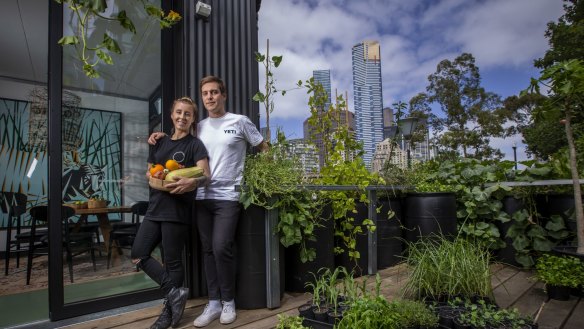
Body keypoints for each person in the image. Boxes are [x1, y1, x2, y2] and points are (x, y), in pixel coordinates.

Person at [148, 76, 268, 327]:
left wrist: (262, 180)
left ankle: (228, 301)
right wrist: (159, 136)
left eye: (214, 92)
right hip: (200, 197)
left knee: (222, 245)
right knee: (207, 249)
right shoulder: (198, 126)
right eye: (205, 93)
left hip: (228, 196)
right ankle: (213, 302)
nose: (210, 97)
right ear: (202, 99)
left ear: (223, 95)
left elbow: (264, 148)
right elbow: (178, 137)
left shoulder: (240, 122)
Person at [133, 97, 210, 329]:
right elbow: (149, 172)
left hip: (177, 211)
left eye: (188, 114)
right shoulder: (159, 142)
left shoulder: (195, 145)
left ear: (193, 118)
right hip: (155, 208)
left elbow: (206, 175)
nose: (182, 117)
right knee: (138, 254)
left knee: (173, 262)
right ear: (171, 115)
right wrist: (153, 176)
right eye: (178, 112)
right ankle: (175, 293)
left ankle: (168, 314)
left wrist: (192, 183)